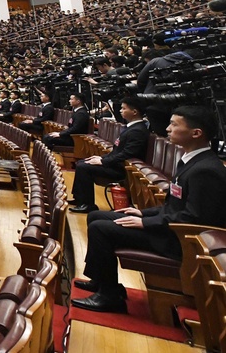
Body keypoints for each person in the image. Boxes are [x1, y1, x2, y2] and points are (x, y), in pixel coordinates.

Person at [72, 106, 226, 313]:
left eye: (174, 124)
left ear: (196, 133)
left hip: (180, 241)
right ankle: (101, 280)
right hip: (170, 227)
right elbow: (174, 206)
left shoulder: (206, 170)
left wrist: (145, 223)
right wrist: (142, 213)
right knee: (96, 215)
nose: (168, 128)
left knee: (101, 228)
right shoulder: (192, 161)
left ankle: (109, 297)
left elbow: (194, 218)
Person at [69, 97, 149, 213]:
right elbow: (118, 151)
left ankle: (88, 204)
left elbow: (127, 154)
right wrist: (101, 158)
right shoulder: (131, 128)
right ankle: (80, 199)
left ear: (134, 112)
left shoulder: (138, 131)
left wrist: (103, 161)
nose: (120, 111)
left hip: (123, 170)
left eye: (123, 108)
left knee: (84, 167)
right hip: (116, 164)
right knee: (82, 162)